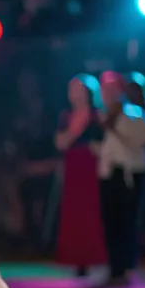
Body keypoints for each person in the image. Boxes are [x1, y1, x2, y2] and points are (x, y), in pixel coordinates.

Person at [97, 71, 145, 284]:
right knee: (111, 222)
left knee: (127, 221)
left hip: (129, 174)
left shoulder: (135, 114)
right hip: (108, 174)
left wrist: (116, 129)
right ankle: (115, 268)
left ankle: (127, 267)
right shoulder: (105, 115)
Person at [54, 75, 106, 275]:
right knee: (73, 211)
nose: (74, 94)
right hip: (74, 166)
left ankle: (92, 258)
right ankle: (74, 259)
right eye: (71, 89)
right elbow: (60, 143)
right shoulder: (65, 116)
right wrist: (76, 129)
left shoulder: (98, 115)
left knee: (91, 211)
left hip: (92, 168)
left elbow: (105, 142)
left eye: (78, 89)